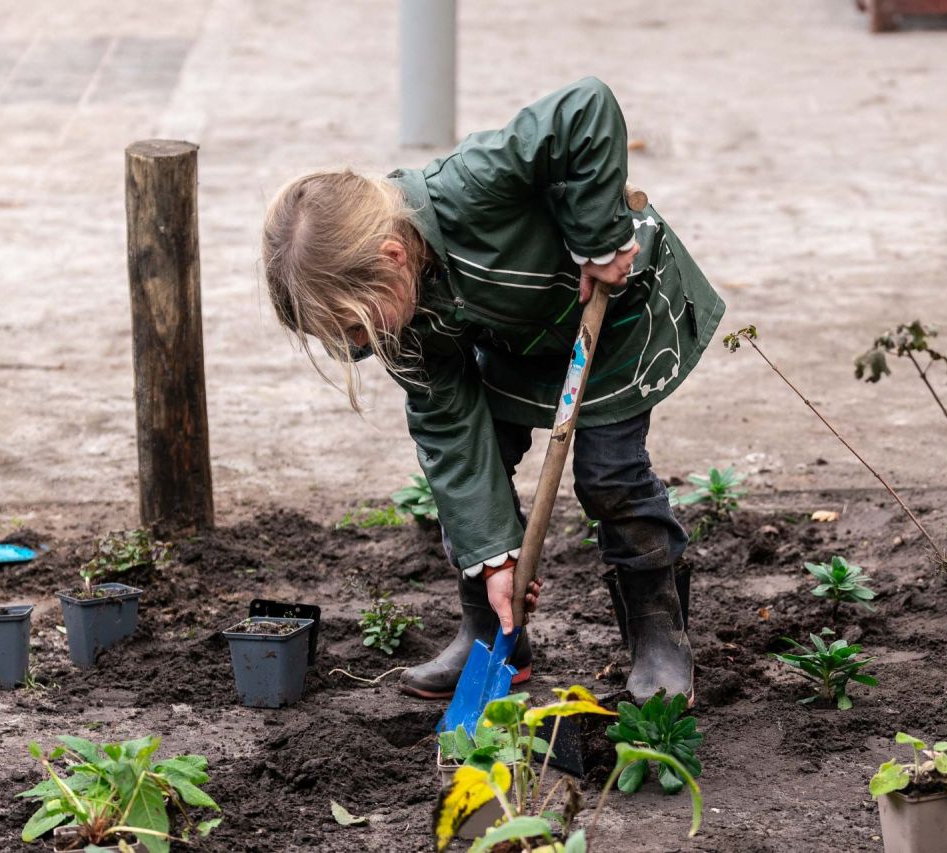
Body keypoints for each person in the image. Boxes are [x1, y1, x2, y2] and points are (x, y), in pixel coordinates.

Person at [261, 77, 723, 704]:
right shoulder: (400, 318)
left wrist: (597, 236)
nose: (363, 345)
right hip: (516, 343)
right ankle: (491, 634)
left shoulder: (471, 183)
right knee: (468, 488)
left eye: (357, 327)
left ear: (394, 256)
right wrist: (493, 554)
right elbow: (452, 431)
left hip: (608, 314)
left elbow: (584, 107)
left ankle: (657, 632)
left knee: (610, 474)